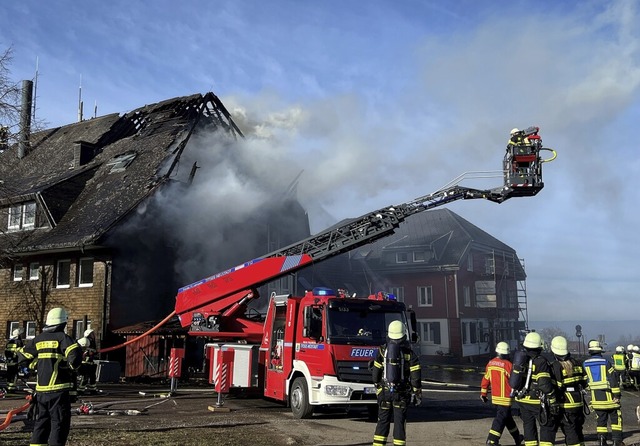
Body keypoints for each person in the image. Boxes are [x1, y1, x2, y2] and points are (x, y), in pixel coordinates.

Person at [19, 307, 83, 446]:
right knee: (58, 424)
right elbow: (75, 359)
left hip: (41, 391)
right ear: (63, 323)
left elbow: (22, 358)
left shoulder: (38, 339)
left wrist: (35, 366)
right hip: (59, 391)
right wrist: (69, 367)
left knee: (41, 423)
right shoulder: (64, 338)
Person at [371, 320, 422, 446]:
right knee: (399, 423)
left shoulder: (382, 350)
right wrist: (417, 394)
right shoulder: (410, 354)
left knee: (382, 421)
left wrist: (378, 388)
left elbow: (375, 375)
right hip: (402, 393)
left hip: (385, 393)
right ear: (403, 334)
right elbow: (416, 379)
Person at [513, 332, 558, 446]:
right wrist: (552, 397)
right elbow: (544, 384)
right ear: (539, 347)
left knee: (528, 426)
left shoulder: (521, 359)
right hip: (536, 401)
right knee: (547, 425)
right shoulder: (541, 361)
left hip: (522, 399)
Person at [541, 336, 587, 446]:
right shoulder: (577, 363)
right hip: (578, 403)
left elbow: (557, 386)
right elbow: (584, 382)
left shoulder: (556, 366)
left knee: (570, 432)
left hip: (565, 404)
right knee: (577, 430)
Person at [480, 341, 523, 446]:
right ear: (507, 353)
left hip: (495, 398)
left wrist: (483, 394)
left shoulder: (490, 363)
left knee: (507, 419)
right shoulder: (508, 365)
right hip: (506, 398)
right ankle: (492, 440)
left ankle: (518, 438)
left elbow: (486, 379)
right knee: (500, 419)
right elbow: (515, 380)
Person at [583, 339, 624, 446]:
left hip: (596, 399)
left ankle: (602, 440)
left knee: (601, 419)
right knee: (615, 418)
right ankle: (617, 440)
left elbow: (584, 381)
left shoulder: (585, 364)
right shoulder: (606, 363)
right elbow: (613, 380)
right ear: (600, 351)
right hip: (610, 398)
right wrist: (617, 395)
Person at [77, 328, 99, 395]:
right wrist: (89, 351)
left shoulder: (92, 342)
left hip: (91, 363)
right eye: (92, 334)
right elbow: (84, 350)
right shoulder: (85, 341)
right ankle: (80, 390)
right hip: (85, 363)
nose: (93, 335)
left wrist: (94, 352)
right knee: (85, 377)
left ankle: (93, 390)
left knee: (92, 377)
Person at [4, 327, 25, 393]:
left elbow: (6, 351)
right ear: (18, 335)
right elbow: (21, 352)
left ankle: (8, 387)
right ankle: (12, 388)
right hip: (15, 362)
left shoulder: (9, 342)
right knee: (14, 375)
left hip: (9, 362)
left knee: (9, 375)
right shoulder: (18, 342)